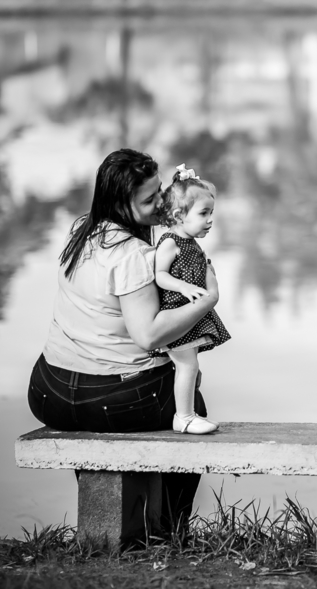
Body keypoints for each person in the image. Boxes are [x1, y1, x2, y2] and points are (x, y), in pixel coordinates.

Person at [27, 148, 219, 540]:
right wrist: (208, 301)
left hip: (49, 390)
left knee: (172, 383)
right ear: (119, 203)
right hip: (110, 399)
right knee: (190, 406)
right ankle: (167, 529)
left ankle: (125, 518)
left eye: (160, 192)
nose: (161, 204)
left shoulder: (82, 229)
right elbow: (148, 334)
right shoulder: (132, 254)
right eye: (149, 200)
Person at [149, 164, 231, 435]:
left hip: (189, 313)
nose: (210, 220)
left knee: (192, 367)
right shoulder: (170, 242)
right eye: (203, 213)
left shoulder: (191, 243)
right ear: (178, 215)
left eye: (211, 213)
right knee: (188, 365)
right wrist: (183, 286)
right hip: (176, 313)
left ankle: (190, 412)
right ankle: (183, 417)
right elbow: (160, 275)